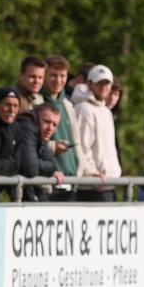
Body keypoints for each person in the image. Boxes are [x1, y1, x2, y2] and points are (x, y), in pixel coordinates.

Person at [42, 55, 97, 201]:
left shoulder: (67, 104)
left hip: (71, 182)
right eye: (53, 75)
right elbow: (30, 143)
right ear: (44, 75)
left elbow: (77, 143)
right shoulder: (36, 102)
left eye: (62, 76)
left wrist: (87, 170)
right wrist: (53, 146)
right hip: (48, 184)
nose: (58, 80)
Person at [74, 64, 119, 202]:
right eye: (99, 83)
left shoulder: (106, 111)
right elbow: (82, 146)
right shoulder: (83, 108)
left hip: (109, 183)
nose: (104, 87)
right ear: (89, 84)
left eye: (107, 83)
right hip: (94, 187)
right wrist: (91, 174)